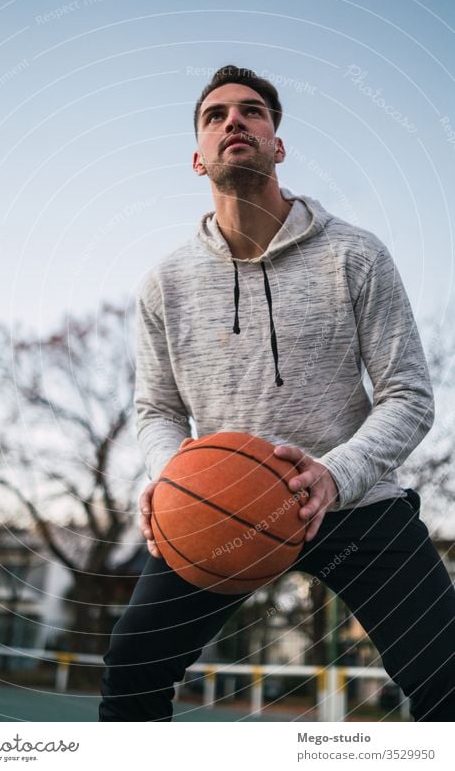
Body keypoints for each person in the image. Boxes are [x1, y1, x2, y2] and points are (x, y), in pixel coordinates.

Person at [98, 64, 455, 722]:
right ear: (197, 159)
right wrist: (173, 472)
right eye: (215, 115)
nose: (234, 120)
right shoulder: (165, 283)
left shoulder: (356, 254)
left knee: (447, 673)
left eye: (252, 111)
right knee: (130, 669)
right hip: (220, 502)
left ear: (278, 144)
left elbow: (409, 394)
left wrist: (335, 473)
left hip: (353, 501)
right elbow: (157, 409)